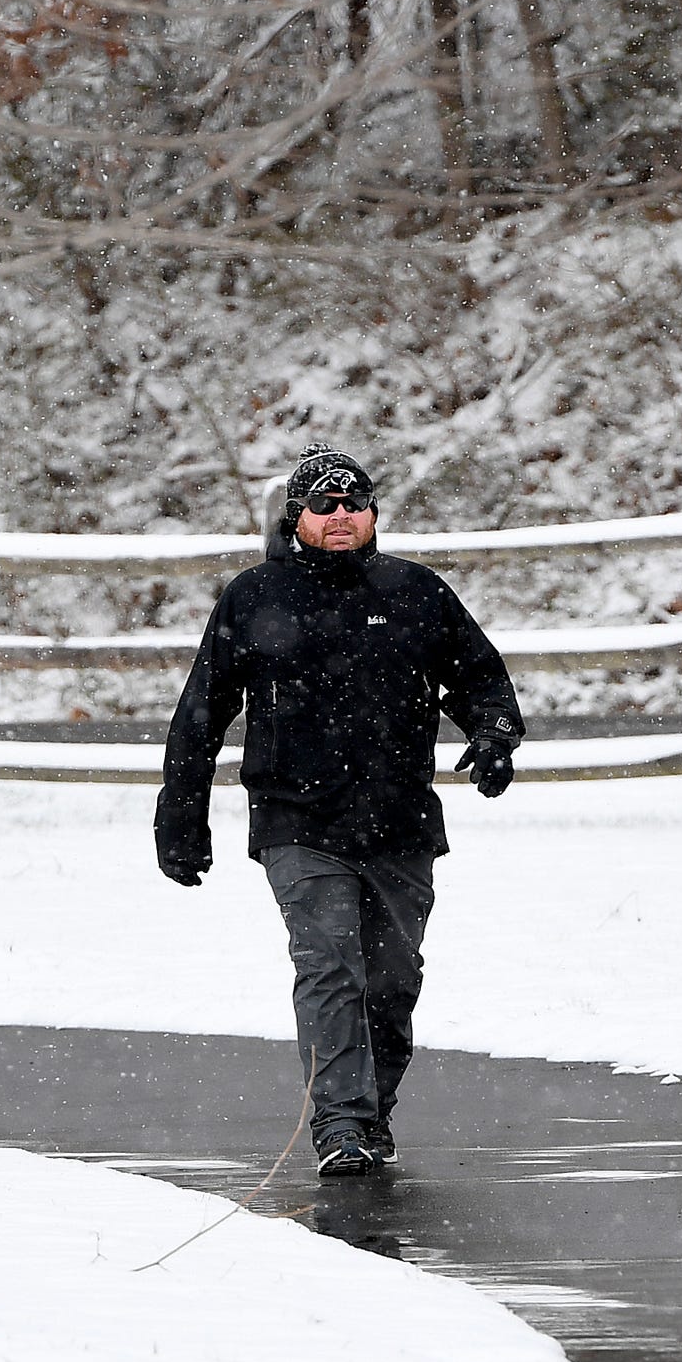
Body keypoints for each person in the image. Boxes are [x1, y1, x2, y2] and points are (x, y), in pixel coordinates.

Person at [154, 445, 524, 1178]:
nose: (340, 516)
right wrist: (181, 816)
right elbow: (201, 714)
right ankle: (340, 1124)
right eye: (322, 505)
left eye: (354, 503)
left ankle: (371, 1111)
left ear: (373, 514)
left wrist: (494, 736)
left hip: (399, 820)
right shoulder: (255, 597)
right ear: (297, 518)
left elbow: (482, 679)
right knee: (329, 967)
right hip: (297, 820)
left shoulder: (417, 592)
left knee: (391, 980)